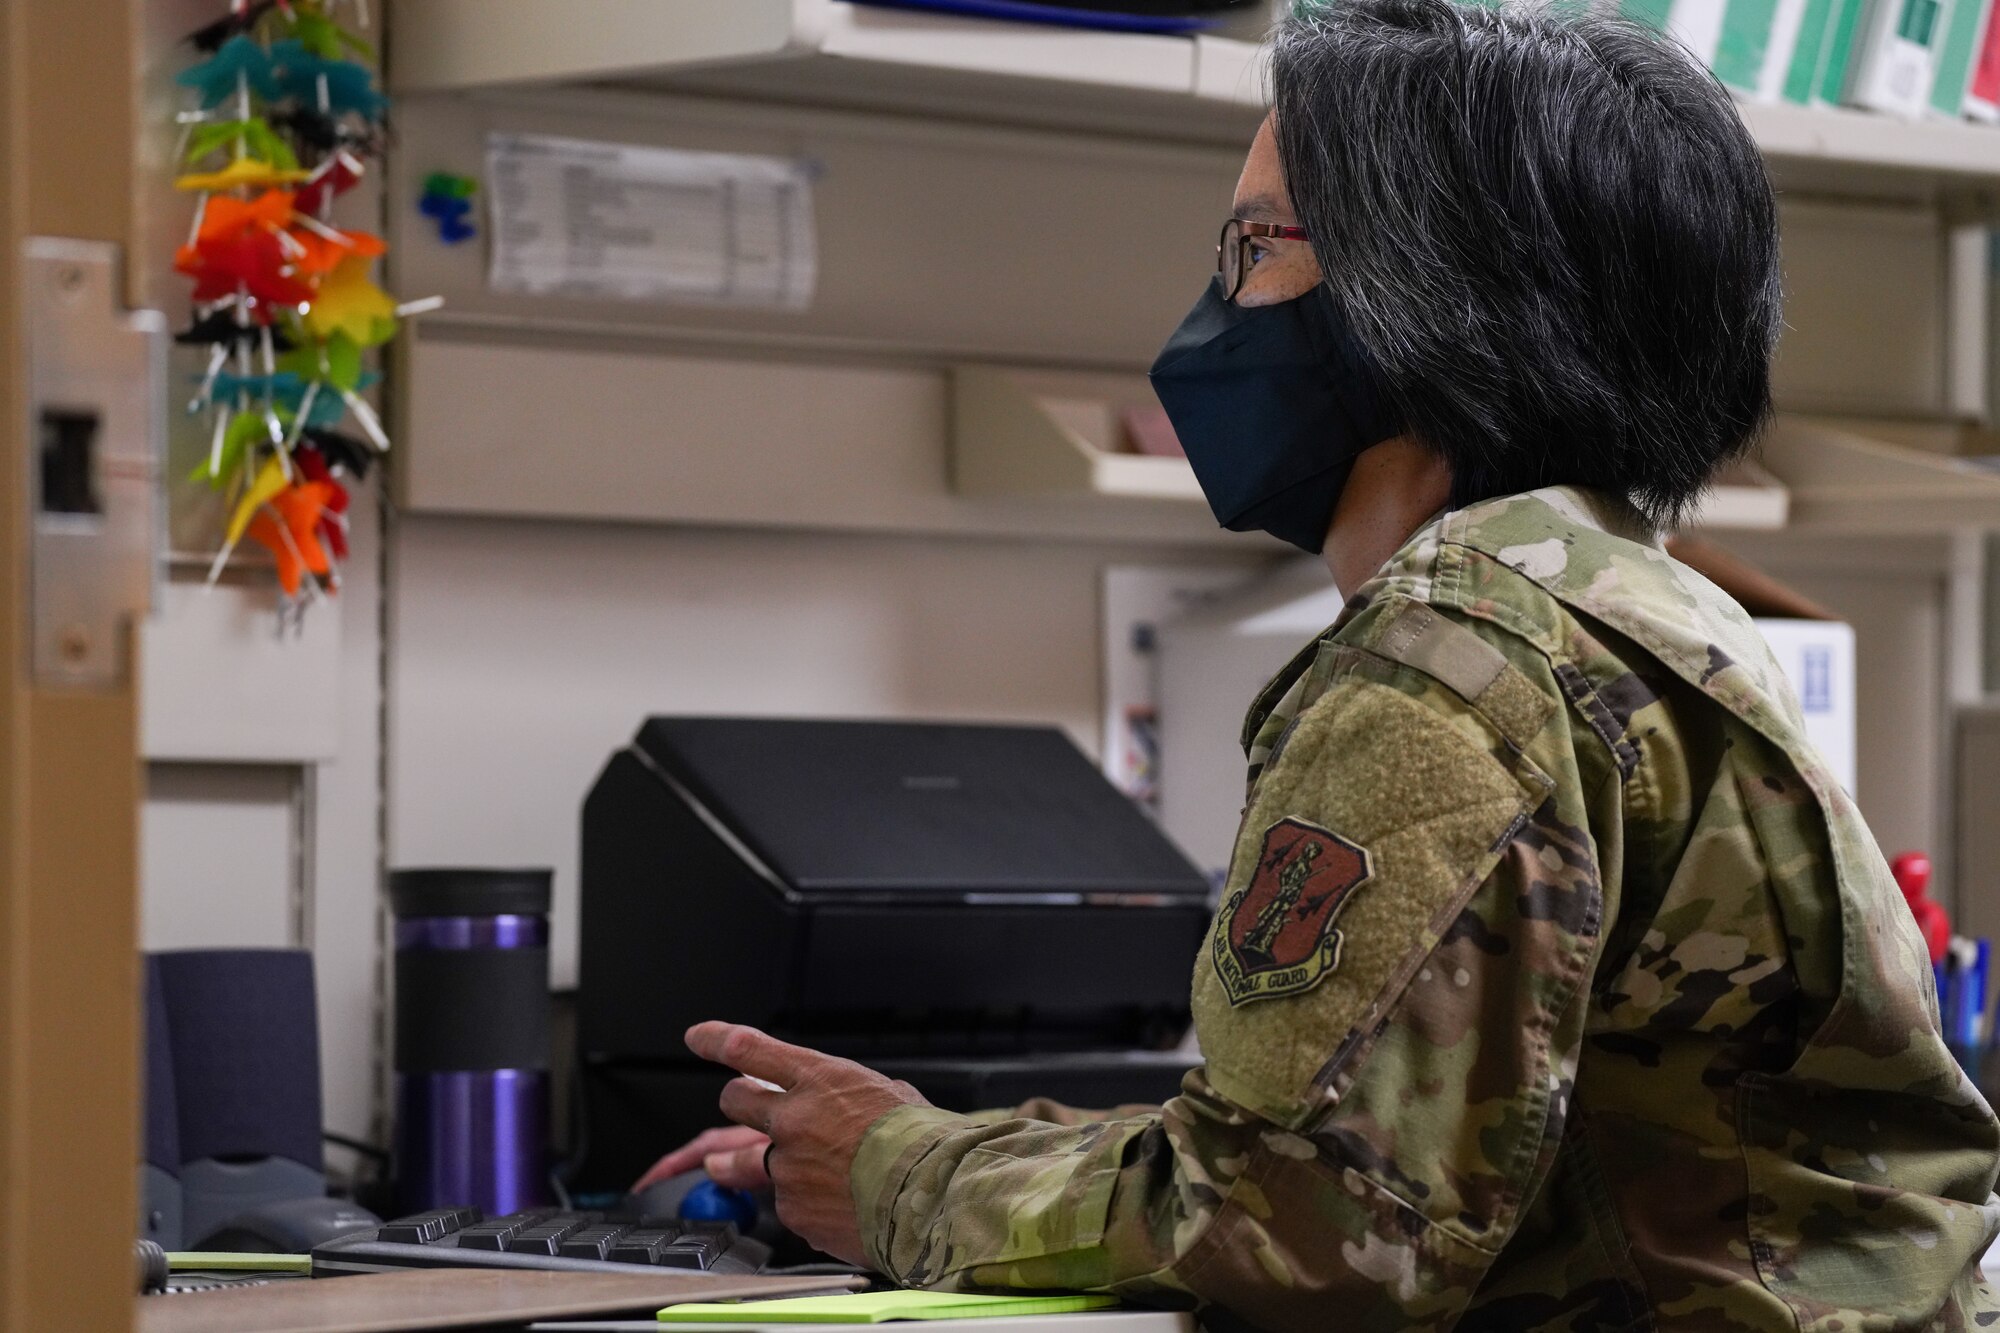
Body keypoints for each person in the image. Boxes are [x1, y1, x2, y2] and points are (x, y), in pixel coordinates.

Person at [638, 0, 2000, 1325]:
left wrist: (892, 1177)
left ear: (1429, 290)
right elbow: (1360, 1149)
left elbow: (1300, 1233)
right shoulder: (1642, 605)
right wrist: (945, 1140)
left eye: (1253, 247)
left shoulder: (1445, 669)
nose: (1218, 306)